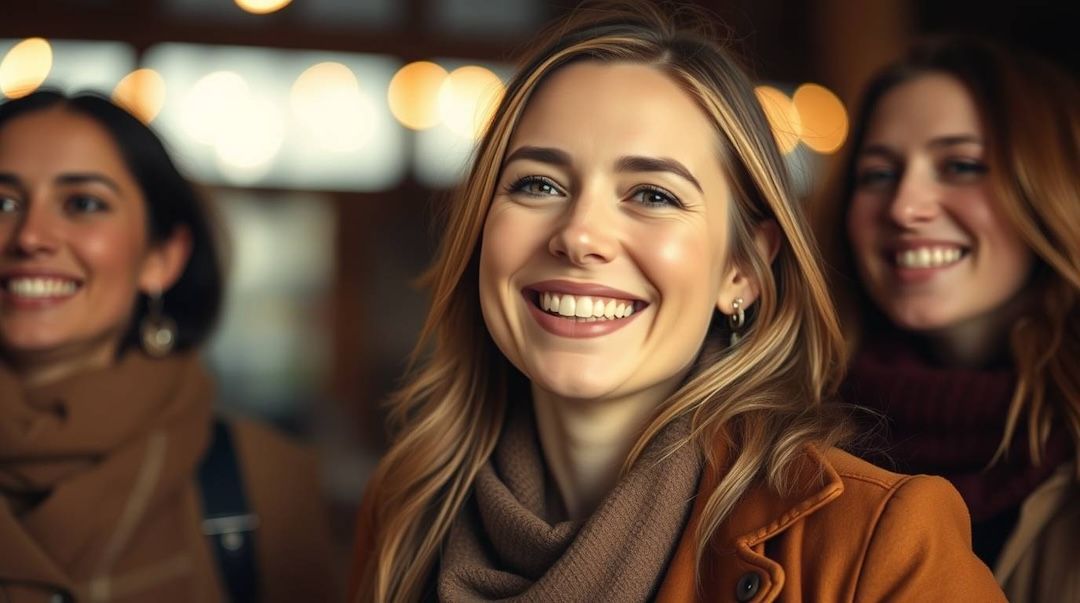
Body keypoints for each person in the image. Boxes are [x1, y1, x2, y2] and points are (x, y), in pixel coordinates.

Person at [348, 3, 1004, 601]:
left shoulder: (878, 542)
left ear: (743, 269)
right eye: (539, 183)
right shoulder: (408, 508)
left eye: (653, 195)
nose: (578, 235)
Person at [0, 91, 337, 603]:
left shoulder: (263, 477)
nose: (30, 237)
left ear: (162, 257)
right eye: (3, 203)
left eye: (83, 204)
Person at [812, 36, 1079, 602]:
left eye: (960, 166)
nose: (906, 207)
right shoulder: (792, 427)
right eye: (878, 175)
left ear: (1051, 187)